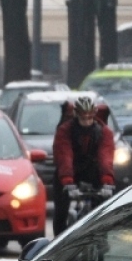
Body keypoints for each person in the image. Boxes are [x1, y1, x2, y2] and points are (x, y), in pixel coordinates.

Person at [52, 94, 115, 234]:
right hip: (69, 171)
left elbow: (105, 155)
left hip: (91, 169)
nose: (86, 122)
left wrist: (107, 181)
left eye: (89, 118)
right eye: (83, 118)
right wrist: (67, 181)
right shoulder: (65, 130)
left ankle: (101, 236)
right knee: (61, 211)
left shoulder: (103, 131)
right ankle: (57, 245)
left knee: (102, 208)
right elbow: (64, 155)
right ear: (76, 115)